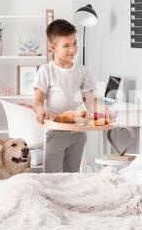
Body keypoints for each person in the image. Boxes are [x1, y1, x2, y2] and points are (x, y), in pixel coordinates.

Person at [32, 19, 107, 173]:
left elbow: (91, 102)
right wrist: (40, 112)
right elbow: (38, 101)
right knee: (52, 178)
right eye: (66, 45)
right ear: (53, 47)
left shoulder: (82, 71)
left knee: (72, 177)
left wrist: (105, 112)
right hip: (56, 132)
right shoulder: (46, 71)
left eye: (74, 43)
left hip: (77, 132)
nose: (72, 49)